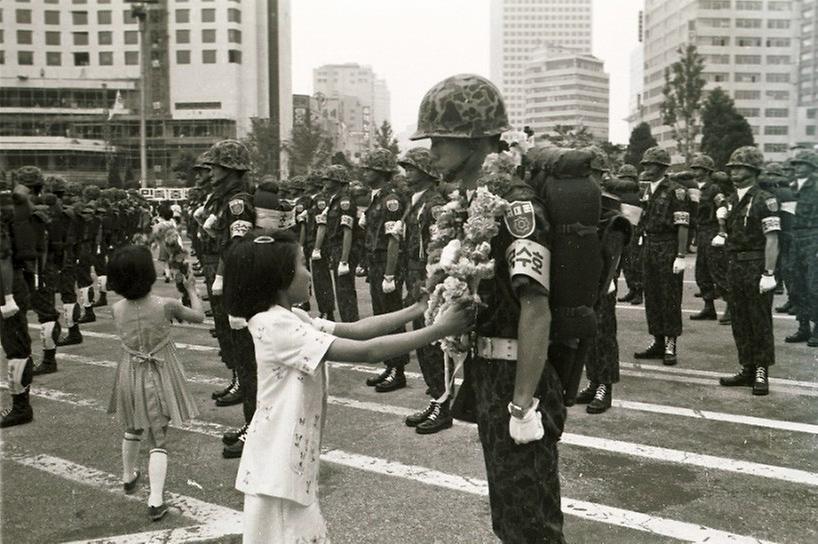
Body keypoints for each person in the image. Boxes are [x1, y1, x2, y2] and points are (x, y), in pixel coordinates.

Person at [223, 232, 470, 544]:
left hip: (286, 463)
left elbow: (357, 331)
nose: (309, 271)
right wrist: (439, 329)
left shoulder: (291, 316)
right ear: (278, 278)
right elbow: (367, 352)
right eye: (301, 264)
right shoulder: (275, 325)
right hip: (276, 472)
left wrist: (418, 309)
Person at [412, 73, 568, 543]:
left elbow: (535, 306)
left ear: (477, 140)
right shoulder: (471, 201)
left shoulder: (514, 206)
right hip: (490, 377)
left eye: (441, 139)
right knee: (510, 514)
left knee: (531, 521)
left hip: (520, 381)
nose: (432, 151)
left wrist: (523, 404)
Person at [105, 245, 203, 521]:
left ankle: (127, 475)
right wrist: (192, 290)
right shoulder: (165, 304)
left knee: (133, 425)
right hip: (158, 372)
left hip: (130, 372)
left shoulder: (116, 309)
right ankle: (156, 498)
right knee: (158, 435)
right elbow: (199, 316)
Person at [717, 147, 780, 395]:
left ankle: (762, 370)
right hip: (734, 264)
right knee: (740, 320)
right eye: (732, 168)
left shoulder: (765, 199)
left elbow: (772, 238)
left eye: (740, 167)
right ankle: (747, 367)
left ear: (753, 171)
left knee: (759, 320)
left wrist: (769, 272)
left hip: (755, 264)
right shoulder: (731, 200)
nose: (734, 172)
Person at [398, 148, 452, 434]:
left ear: (428, 172)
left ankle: (443, 404)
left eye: (412, 168)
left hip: (427, 283)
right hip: (415, 279)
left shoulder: (433, 204)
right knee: (422, 342)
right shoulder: (416, 202)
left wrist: (430, 286)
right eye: (406, 168)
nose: (407, 173)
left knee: (432, 345)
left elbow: (438, 249)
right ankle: (436, 398)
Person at [633, 146, 690, 366]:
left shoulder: (677, 191)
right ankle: (657, 340)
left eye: (651, 164)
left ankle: (670, 343)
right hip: (649, 243)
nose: (647, 167)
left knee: (669, 297)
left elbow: (683, 224)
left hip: (668, 244)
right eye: (645, 164)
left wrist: (681, 254)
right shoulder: (645, 189)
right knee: (653, 296)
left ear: (662, 167)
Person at [359, 149, 410, 392]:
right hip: (375, 262)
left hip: (386, 264)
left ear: (380, 172)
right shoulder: (377, 196)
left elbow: (394, 240)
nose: (364, 172)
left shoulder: (391, 199)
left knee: (391, 318)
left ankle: (398, 370)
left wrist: (390, 274)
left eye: (368, 169)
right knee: (382, 316)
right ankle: (390, 365)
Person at [783, 150, 818, 346]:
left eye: (801, 164)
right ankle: (803, 327)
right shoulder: (791, 187)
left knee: (815, 286)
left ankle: (817, 329)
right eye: (795, 165)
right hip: (795, 239)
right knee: (796, 285)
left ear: (812, 166)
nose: (796, 168)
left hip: (814, 238)